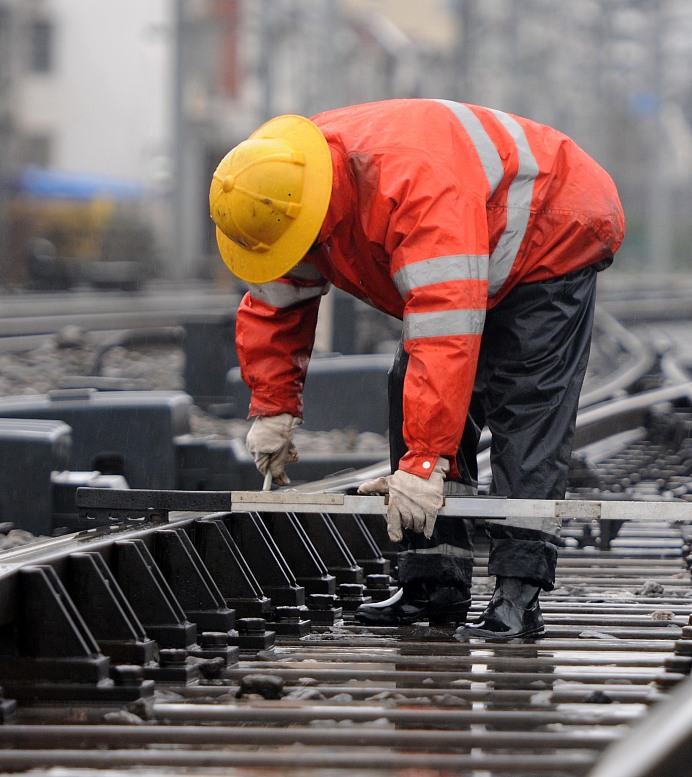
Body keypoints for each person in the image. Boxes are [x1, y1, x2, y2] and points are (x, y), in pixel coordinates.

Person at [209, 99, 624, 640]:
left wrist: (424, 464)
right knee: (410, 384)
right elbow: (275, 304)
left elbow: (445, 333)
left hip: (555, 226)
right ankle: (434, 584)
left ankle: (518, 592)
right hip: (477, 222)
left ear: (316, 211)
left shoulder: (413, 191)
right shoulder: (281, 190)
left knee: (526, 403)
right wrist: (274, 407)